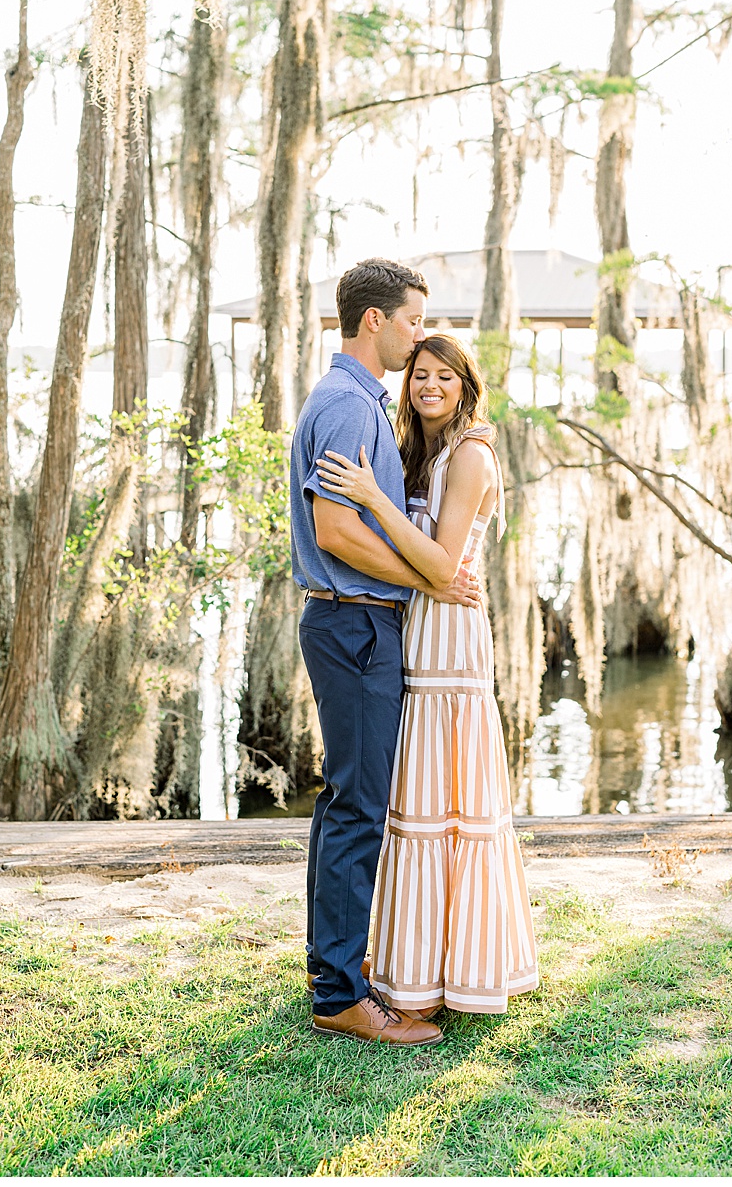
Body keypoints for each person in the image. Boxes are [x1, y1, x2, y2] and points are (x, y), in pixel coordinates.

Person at [316, 333, 541, 1017]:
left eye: (444, 375)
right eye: (419, 375)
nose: (429, 386)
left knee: (452, 807)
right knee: (412, 803)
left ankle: (462, 973)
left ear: (464, 384)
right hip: (414, 631)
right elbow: (425, 568)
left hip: (452, 641)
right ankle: (413, 970)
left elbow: (445, 566)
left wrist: (371, 499)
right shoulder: (421, 452)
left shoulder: (472, 454)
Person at [292, 257, 481, 1046]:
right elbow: (336, 530)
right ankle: (340, 992)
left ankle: (329, 969)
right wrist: (425, 578)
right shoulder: (347, 406)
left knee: (345, 799)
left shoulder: (357, 402)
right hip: (356, 623)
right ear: (375, 320)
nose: (416, 335)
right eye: (410, 320)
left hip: (357, 622)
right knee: (361, 804)